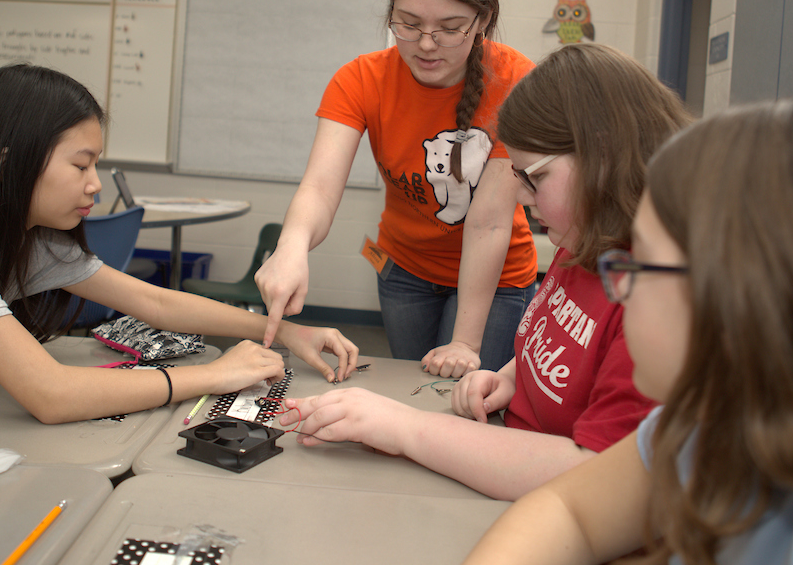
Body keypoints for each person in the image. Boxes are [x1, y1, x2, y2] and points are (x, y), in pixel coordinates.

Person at [355, 97, 793, 565]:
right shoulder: (714, 423)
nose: (617, 291)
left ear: (747, 295)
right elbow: (572, 511)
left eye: (639, 265)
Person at [0, 63, 358, 427]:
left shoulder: (12, 232)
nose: (95, 184)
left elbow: (154, 304)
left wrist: (282, 332)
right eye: (82, 164)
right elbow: (49, 394)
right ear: (9, 164)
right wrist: (213, 375)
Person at [276, 43, 692, 502]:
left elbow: (602, 478)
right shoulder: (581, 243)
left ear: (603, 157)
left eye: (535, 178)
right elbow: (556, 349)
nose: (524, 199)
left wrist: (404, 428)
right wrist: (512, 379)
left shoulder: (656, 295)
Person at [256, 0, 539, 377]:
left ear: (483, 19)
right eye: (408, 24)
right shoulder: (360, 79)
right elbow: (320, 187)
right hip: (404, 272)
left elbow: (488, 221)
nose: (426, 44)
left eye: (449, 28)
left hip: (497, 279)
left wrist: (464, 342)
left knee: (466, 402)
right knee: (410, 388)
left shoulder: (517, 80)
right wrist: (292, 246)